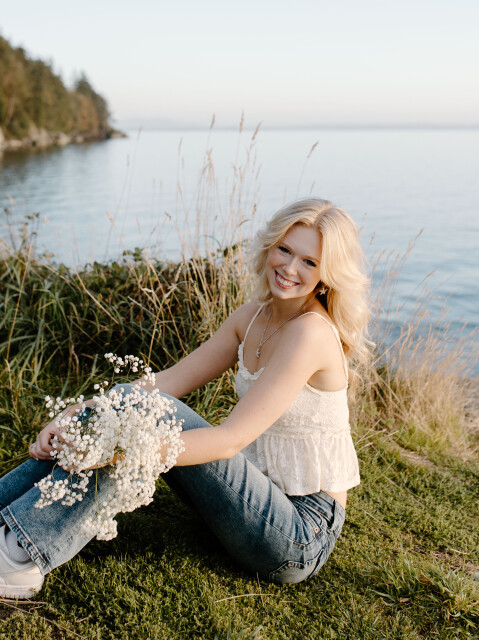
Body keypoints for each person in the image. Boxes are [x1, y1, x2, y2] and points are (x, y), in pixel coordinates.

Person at [0, 197, 370, 599]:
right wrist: (80, 414)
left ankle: (18, 559)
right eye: (285, 249)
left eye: (309, 262)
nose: (290, 267)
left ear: (327, 276)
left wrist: (120, 448)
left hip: (298, 534)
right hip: (254, 499)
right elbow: (166, 382)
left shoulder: (310, 333)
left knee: (143, 419)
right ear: (270, 245)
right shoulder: (251, 317)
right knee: (131, 402)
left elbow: (230, 440)